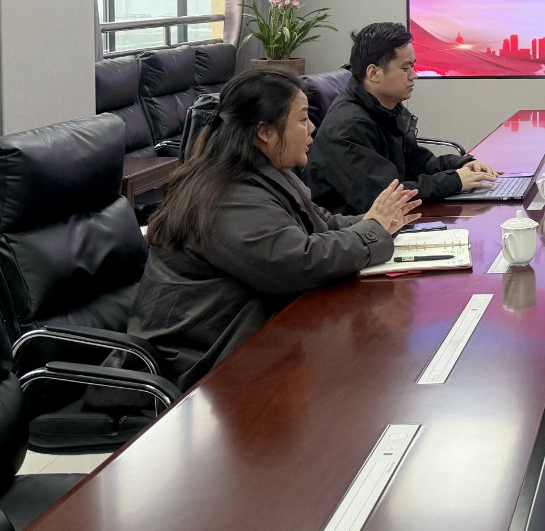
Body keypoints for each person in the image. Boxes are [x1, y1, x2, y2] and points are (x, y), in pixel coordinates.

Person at [130, 67, 423, 388]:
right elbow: (299, 262)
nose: (312, 127)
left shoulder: (266, 171)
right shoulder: (227, 194)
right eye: (302, 119)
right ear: (265, 132)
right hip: (209, 362)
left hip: (253, 335)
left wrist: (377, 222)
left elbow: (320, 223)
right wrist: (372, 233)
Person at [307, 22, 499, 213]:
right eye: (406, 68)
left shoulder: (384, 107)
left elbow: (417, 164)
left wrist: (461, 164)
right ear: (373, 73)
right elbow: (385, 198)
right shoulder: (348, 127)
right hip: (354, 227)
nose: (414, 75)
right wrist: (455, 181)